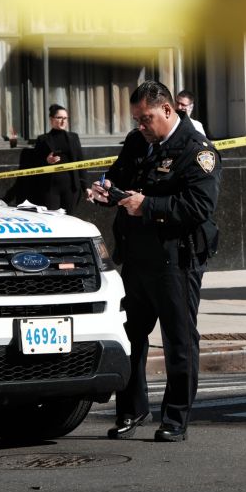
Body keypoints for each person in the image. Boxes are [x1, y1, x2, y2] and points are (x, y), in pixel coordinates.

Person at [88, 80, 221, 442]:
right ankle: (132, 409)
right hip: (136, 256)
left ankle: (175, 418)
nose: (141, 126)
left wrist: (145, 205)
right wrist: (104, 190)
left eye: (146, 119)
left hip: (175, 258)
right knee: (131, 336)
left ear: (168, 110)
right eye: (136, 120)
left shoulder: (197, 150)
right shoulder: (138, 142)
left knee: (179, 340)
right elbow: (117, 175)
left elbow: (199, 207)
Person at [27, 104, 86, 213]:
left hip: (71, 188)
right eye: (59, 118)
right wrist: (47, 161)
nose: (63, 121)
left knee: (70, 220)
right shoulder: (43, 139)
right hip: (50, 188)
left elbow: (80, 162)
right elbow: (34, 163)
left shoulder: (73, 137)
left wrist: (85, 186)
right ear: (51, 119)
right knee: (52, 218)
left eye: (65, 118)